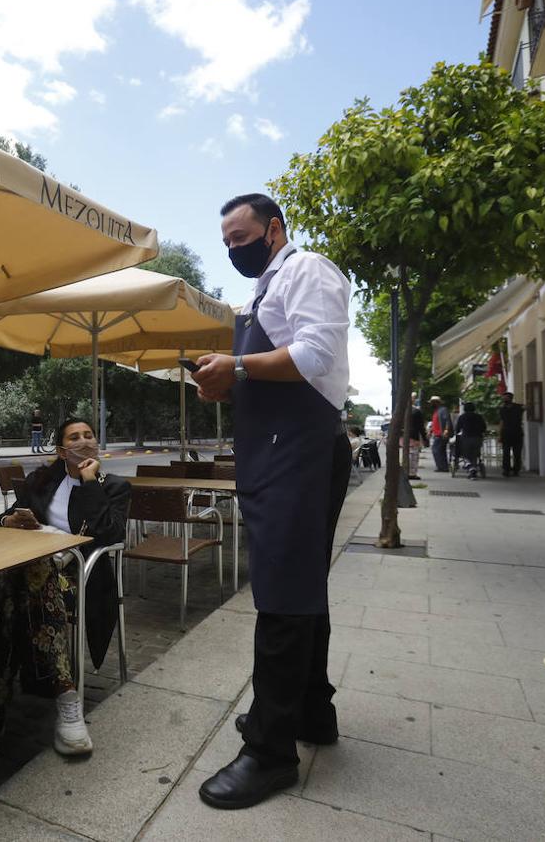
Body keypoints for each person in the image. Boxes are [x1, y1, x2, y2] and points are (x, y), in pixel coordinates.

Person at [190, 193, 351, 810]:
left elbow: (315, 356)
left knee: (283, 593)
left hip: (302, 451)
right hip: (279, 451)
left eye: (241, 235)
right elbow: (267, 369)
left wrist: (239, 365)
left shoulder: (307, 268)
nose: (234, 248)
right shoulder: (263, 292)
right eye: (225, 241)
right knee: (301, 585)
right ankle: (311, 713)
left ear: (274, 228)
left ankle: (269, 750)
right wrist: (226, 381)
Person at [0, 416, 129, 761]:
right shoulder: (41, 481)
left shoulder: (113, 485)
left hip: (74, 577)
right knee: (33, 574)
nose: (84, 442)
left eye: (89, 435)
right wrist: (10, 521)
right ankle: (67, 698)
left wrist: (90, 483)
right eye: (75, 437)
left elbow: (110, 535)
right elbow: (3, 520)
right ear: (60, 449)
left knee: (21, 602)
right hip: (10, 572)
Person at [454, 400, 488, 479]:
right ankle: (473, 468)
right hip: (477, 438)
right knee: (475, 454)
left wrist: (457, 433)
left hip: (466, 438)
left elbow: (458, 429)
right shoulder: (479, 417)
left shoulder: (462, 417)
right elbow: (484, 427)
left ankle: (471, 468)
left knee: (466, 453)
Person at [497, 392, 525, 476]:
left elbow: (527, 407)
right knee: (506, 453)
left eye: (506, 398)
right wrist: (499, 434)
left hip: (517, 433)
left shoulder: (518, 407)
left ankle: (516, 470)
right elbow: (501, 422)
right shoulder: (502, 409)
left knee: (517, 453)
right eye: (503, 398)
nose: (504, 399)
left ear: (510, 398)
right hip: (506, 433)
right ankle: (506, 469)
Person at [428, 395, 452, 472]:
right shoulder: (436, 411)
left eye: (432, 403)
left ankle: (441, 467)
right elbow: (435, 423)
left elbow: (447, 420)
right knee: (441, 451)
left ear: (437, 403)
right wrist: (431, 431)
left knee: (436, 450)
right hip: (437, 434)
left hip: (440, 434)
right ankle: (444, 467)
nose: (431, 404)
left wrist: (446, 430)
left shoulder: (443, 410)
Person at [406, 394, 427, 479]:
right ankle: (412, 473)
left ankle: (406, 471)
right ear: (413, 400)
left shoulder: (402, 410)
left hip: (403, 437)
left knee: (407, 454)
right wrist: (425, 439)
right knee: (414, 455)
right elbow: (421, 427)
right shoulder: (416, 411)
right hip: (414, 436)